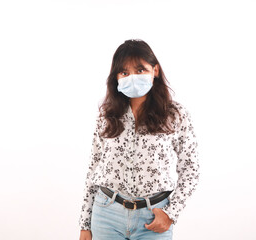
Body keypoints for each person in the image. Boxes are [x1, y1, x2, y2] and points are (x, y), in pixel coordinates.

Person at [78, 39, 200, 240]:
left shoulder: (175, 115)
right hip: (106, 214)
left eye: (140, 70)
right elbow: (94, 168)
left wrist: (171, 213)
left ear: (155, 70)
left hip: (153, 218)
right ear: (116, 77)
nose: (132, 77)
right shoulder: (107, 116)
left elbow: (190, 168)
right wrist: (84, 224)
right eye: (124, 73)